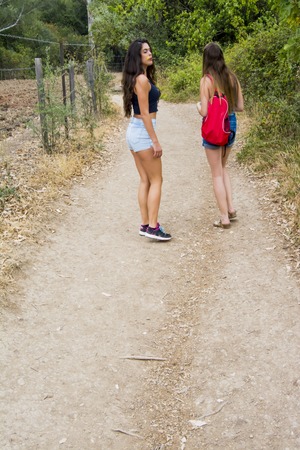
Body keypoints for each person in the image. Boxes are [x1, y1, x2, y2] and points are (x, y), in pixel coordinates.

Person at [122, 38, 171, 241]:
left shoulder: (137, 78)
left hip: (134, 132)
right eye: (145, 51)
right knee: (156, 180)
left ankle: (145, 224)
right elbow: (144, 113)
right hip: (142, 132)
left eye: (150, 50)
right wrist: (155, 141)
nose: (150, 54)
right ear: (137, 56)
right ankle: (153, 227)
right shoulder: (141, 80)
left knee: (145, 180)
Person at [197, 42, 244, 229]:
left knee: (216, 173)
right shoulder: (232, 78)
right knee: (223, 167)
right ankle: (231, 209)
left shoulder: (206, 81)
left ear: (206, 59)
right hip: (230, 124)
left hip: (214, 128)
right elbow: (240, 107)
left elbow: (204, 112)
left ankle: (224, 218)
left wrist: (198, 106)